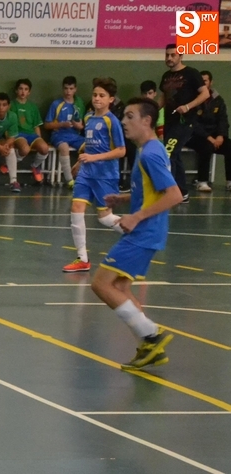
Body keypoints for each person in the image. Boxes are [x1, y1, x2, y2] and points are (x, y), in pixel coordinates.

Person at [91, 97, 182, 369]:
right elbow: (153, 191)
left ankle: (152, 335)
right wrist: (125, 198)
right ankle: (149, 346)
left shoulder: (150, 154)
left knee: (101, 284)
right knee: (120, 287)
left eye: (130, 116)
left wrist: (137, 216)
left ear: (147, 121)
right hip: (148, 231)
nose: (124, 121)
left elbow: (174, 195)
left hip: (144, 231)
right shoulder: (150, 149)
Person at [63, 78, 126, 273]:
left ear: (111, 99)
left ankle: (136, 234)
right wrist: (79, 161)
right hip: (86, 173)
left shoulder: (112, 121)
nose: (97, 98)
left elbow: (121, 150)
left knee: (105, 218)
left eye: (102, 96)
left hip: (105, 175)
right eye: (95, 95)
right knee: (76, 208)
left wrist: (94, 157)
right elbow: (89, 143)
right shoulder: (89, 118)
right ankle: (82, 258)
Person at [159, 44, 211, 203]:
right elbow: (163, 98)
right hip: (170, 122)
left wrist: (188, 106)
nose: (169, 58)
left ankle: (170, 191)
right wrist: (150, 111)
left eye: (173, 55)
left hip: (185, 122)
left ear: (180, 56)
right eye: (167, 55)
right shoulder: (166, 76)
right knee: (175, 155)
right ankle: (182, 192)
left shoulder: (191, 73)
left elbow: (205, 94)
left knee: (168, 152)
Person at [186, 71, 231, 192]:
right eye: (200, 81)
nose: (203, 83)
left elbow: (223, 119)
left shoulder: (218, 100)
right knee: (207, 147)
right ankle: (202, 181)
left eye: (205, 81)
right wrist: (208, 137)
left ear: (211, 82)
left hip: (215, 135)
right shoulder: (192, 99)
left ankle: (230, 181)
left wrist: (221, 136)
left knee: (229, 146)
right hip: (193, 135)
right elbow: (193, 123)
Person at [44, 76, 86, 188]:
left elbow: (81, 125)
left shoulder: (79, 103)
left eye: (71, 89)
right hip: (59, 135)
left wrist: (77, 125)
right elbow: (47, 125)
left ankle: (79, 171)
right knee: (64, 147)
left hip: (74, 135)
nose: (68, 91)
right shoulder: (56, 104)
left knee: (91, 147)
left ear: (75, 89)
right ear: (63, 89)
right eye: (66, 88)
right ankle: (69, 180)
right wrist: (62, 124)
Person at [11, 78, 50, 183]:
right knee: (25, 149)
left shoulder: (33, 107)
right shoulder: (11, 105)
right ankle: (9, 163)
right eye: (20, 89)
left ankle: (35, 166)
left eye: (26, 89)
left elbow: (36, 126)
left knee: (44, 148)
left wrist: (39, 139)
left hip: (31, 135)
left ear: (29, 92)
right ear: (16, 90)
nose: (23, 92)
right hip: (18, 134)